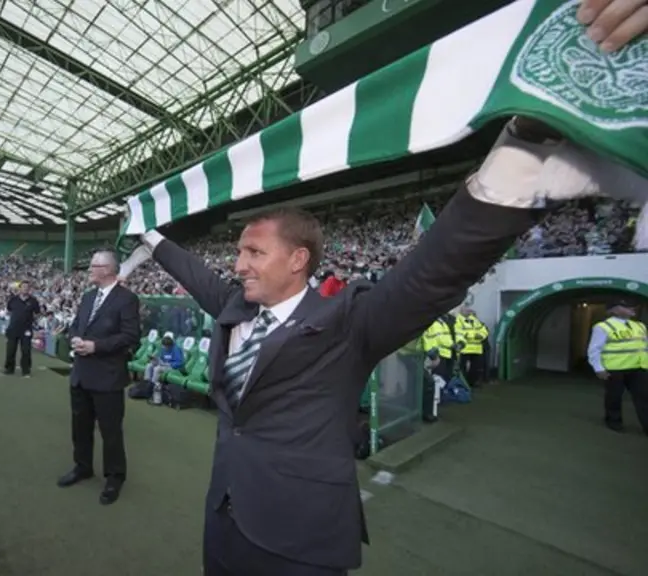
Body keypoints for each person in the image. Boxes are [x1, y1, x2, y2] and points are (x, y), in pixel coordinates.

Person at [122, 77, 648, 575]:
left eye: (254, 252)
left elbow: (429, 275)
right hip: (223, 516)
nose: (239, 265)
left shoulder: (347, 321)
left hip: (299, 538)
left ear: (299, 259)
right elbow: (195, 275)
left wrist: (512, 171)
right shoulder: (235, 306)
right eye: (239, 253)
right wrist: (154, 239)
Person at [57, 250, 140, 505]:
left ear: (107, 270)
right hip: (81, 375)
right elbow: (76, 325)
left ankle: (115, 476)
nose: (89, 270)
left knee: (110, 432)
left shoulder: (127, 299)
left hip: (107, 378)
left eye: (93, 266)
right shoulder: (88, 297)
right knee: (79, 428)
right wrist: (75, 338)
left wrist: (96, 346)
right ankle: (82, 466)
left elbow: (130, 336)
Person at [587, 300, 648, 435]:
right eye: (626, 307)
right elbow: (594, 349)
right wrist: (599, 368)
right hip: (615, 369)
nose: (632, 308)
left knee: (644, 397)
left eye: (632, 306)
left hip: (639, 368)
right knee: (614, 397)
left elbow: (645, 346)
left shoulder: (640, 326)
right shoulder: (603, 327)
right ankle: (614, 421)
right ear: (613, 310)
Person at [3, 281, 41, 377]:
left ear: (29, 289)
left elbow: (38, 313)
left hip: (26, 330)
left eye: (27, 287)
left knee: (26, 351)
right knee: (10, 350)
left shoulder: (33, 301)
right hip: (13, 329)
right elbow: (9, 310)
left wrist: (32, 321)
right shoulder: (13, 300)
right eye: (23, 287)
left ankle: (26, 370)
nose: (25, 289)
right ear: (20, 288)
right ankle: (9, 369)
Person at [454, 308, 489, 386]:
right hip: (464, 349)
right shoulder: (458, 320)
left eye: (469, 310)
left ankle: (472, 383)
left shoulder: (475, 320)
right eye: (467, 310)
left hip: (477, 349)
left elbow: (484, 330)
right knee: (462, 367)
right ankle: (463, 383)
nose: (469, 312)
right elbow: (459, 332)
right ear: (461, 311)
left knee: (476, 368)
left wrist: (481, 336)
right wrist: (474, 335)